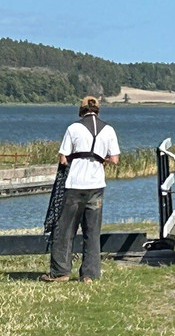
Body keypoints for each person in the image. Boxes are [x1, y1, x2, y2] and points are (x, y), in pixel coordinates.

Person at [41, 96, 119, 283]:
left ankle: (61, 272)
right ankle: (89, 274)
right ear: (97, 110)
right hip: (97, 185)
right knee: (92, 232)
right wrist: (101, 163)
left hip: (75, 184)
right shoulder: (108, 129)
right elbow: (114, 159)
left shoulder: (73, 128)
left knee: (65, 230)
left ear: (81, 109)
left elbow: (63, 158)